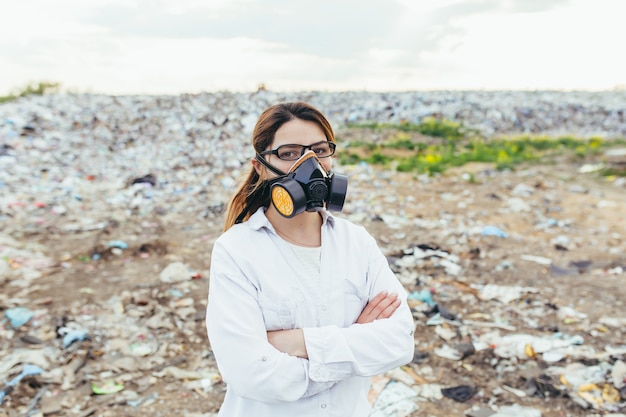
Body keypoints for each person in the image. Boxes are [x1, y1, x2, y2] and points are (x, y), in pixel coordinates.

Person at [206, 101, 415, 416]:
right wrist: (354, 345)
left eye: (319, 150)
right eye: (289, 153)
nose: (310, 164)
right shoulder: (236, 251)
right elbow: (249, 374)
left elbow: (399, 342)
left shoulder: (357, 243)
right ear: (260, 166)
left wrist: (293, 344)